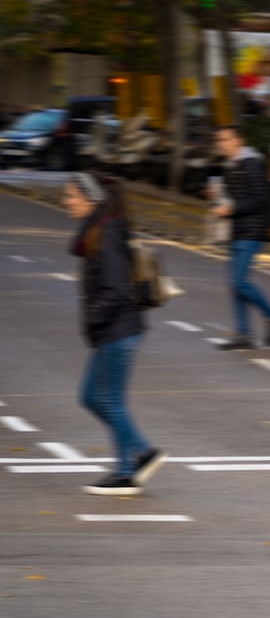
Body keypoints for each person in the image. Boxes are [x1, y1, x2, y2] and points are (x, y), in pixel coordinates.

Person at [63, 173, 166, 496]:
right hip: (115, 329)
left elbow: (117, 288)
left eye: (72, 196)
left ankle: (129, 468)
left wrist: (94, 318)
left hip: (118, 329)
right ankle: (138, 457)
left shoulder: (106, 232)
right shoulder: (97, 228)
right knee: (92, 397)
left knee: (108, 399)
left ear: (90, 199)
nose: (67, 201)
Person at [210, 126, 270, 351]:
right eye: (218, 140)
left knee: (239, 282)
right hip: (237, 230)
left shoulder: (251, 163)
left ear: (238, 141)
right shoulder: (230, 165)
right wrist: (218, 198)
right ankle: (243, 334)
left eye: (225, 139)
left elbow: (259, 199)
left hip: (252, 231)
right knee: (235, 285)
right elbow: (237, 195)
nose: (220, 143)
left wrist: (232, 208)